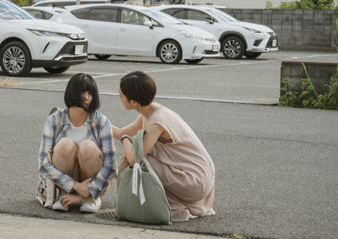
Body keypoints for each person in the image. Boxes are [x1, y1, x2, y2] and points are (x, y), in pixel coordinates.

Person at [112, 71, 215, 221]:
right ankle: (160, 205)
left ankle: (169, 209)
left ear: (133, 102)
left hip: (194, 180)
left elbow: (135, 159)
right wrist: (96, 120)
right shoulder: (150, 112)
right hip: (197, 175)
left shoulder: (156, 121)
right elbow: (120, 132)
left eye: (121, 95)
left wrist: (125, 140)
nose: (119, 98)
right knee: (139, 161)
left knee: (138, 164)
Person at [38, 73, 116, 213]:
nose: (87, 97)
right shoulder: (54, 120)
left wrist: (88, 191)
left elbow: (111, 165)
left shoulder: (102, 121)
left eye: (90, 93)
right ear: (72, 92)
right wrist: (74, 186)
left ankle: (91, 198)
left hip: (94, 185)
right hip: (65, 184)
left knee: (88, 147)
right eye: (82, 92)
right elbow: (43, 164)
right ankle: (64, 195)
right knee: (64, 145)